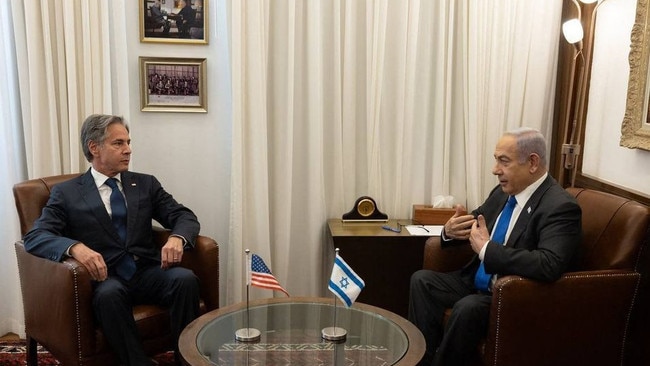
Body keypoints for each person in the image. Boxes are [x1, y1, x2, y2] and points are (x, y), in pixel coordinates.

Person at [23, 114, 201, 366]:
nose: (128, 150)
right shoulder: (67, 193)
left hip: (146, 271)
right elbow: (35, 236)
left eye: (128, 142)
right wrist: (74, 247)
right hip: (104, 278)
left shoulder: (145, 184)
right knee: (110, 295)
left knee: (185, 280)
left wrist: (177, 238)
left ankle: (187, 359)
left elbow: (183, 216)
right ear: (94, 147)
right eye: (118, 143)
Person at [408, 127, 582, 366]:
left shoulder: (559, 206)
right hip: (476, 281)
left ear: (532, 162)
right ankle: (421, 361)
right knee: (422, 281)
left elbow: (549, 263)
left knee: (467, 308)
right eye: (496, 159)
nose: (495, 170)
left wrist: (488, 250)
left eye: (504, 161)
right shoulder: (503, 192)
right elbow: (476, 221)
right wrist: (449, 231)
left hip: (511, 293)